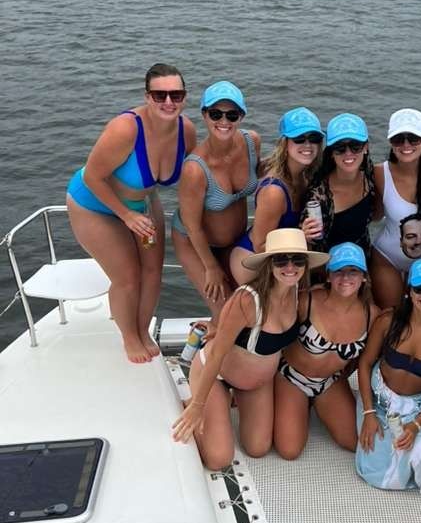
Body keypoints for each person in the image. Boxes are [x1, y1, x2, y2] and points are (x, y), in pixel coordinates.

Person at [66, 63, 196, 363]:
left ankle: (142, 330)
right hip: (95, 205)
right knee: (128, 277)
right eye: (159, 95)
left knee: (153, 273)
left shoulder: (185, 131)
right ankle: (129, 337)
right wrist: (126, 215)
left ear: (184, 97)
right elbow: (92, 178)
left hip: (143, 203)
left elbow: (197, 169)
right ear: (147, 96)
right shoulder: (125, 129)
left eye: (175, 95)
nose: (168, 102)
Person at [172, 229, 328, 469]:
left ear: (305, 265)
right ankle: (203, 399)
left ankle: (226, 402)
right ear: (269, 263)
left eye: (297, 259)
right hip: (217, 374)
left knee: (258, 448)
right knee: (218, 459)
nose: (290, 267)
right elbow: (216, 354)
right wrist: (197, 407)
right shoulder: (247, 299)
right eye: (281, 259)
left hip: (256, 383)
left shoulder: (298, 293)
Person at [356, 257, 421, 493]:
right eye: (420, 288)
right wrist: (369, 412)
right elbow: (364, 365)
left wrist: (416, 425)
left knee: (420, 462)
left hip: (419, 406)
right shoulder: (388, 321)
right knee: (376, 473)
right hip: (379, 400)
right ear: (409, 290)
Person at [274, 243, 379, 459]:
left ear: (364, 277)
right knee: (289, 450)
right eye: (338, 270)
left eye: (353, 271)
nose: (346, 277)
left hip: (330, 382)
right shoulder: (306, 300)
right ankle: (295, 402)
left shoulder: (373, 315)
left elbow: (368, 361)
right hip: (290, 377)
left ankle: (314, 405)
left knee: (357, 443)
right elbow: (268, 324)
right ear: (328, 276)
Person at [172, 81, 260, 325]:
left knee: (245, 307)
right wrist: (211, 267)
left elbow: (263, 174)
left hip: (234, 241)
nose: (224, 121)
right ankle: (203, 356)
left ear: (241, 116)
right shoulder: (195, 169)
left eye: (232, 114)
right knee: (225, 315)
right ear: (204, 114)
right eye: (215, 113)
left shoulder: (252, 142)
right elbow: (192, 226)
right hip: (195, 243)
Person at [230, 107, 322, 285]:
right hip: (253, 264)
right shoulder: (274, 192)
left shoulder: (304, 176)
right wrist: (300, 236)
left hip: (283, 261)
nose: (308, 145)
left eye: (314, 138)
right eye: (299, 139)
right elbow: (260, 245)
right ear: (285, 144)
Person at [371, 109, 421, 308]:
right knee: (392, 316)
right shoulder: (380, 173)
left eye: (413, 138)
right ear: (390, 143)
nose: (406, 145)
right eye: (398, 139)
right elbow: (374, 215)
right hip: (387, 259)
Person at [300, 113, 375, 255]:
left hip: (362, 260)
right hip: (330, 269)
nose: (348, 153)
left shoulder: (369, 175)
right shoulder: (319, 197)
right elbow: (312, 246)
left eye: (355, 146)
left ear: (366, 147)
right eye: (340, 148)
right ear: (331, 153)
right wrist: (304, 236)